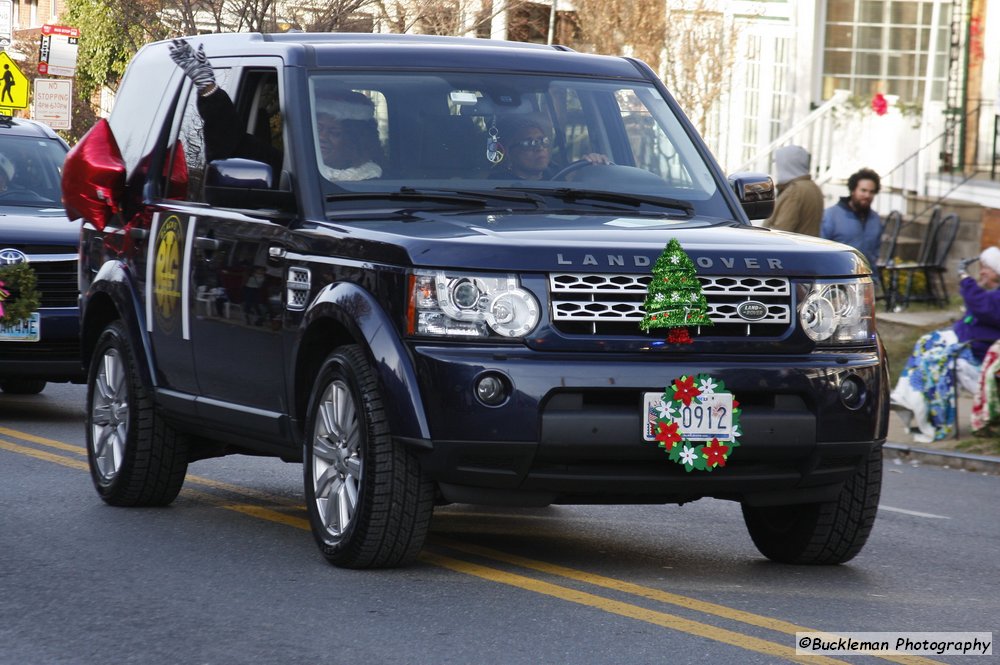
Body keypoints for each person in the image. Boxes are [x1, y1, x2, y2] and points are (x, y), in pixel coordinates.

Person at [890, 246, 1000, 442]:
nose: (982, 272)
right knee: (925, 344)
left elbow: (982, 307)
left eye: (987, 268)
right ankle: (905, 398)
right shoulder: (993, 293)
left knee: (934, 358)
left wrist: (966, 279)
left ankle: (924, 412)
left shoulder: (994, 297)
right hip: (966, 343)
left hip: (976, 353)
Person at [490, 116, 608, 180]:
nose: (540, 148)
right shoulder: (497, 186)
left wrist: (591, 165)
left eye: (543, 141)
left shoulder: (558, 173)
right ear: (509, 153)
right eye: (528, 143)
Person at [312, 89, 383, 182]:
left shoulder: (370, 177)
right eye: (318, 129)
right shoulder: (302, 169)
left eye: (334, 133)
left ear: (354, 140)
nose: (322, 137)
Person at [820, 168, 882, 267]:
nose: (867, 195)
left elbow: (875, 252)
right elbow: (821, 251)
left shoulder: (875, 219)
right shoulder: (830, 215)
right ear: (853, 190)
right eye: (863, 190)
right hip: (838, 278)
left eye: (872, 192)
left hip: (868, 279)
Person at [762, 145, 824, 236]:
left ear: (786, 164)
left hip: (792, 248)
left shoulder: (795, 191)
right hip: (807, 247)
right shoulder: (813, 187)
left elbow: (781, 231)